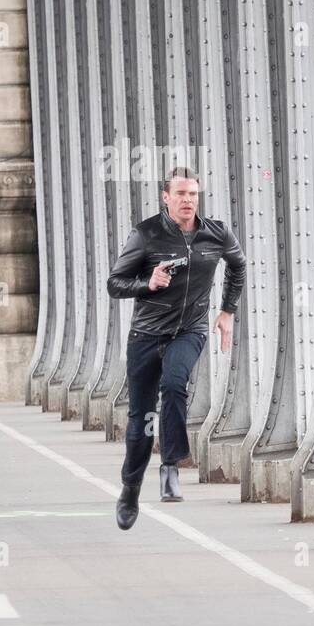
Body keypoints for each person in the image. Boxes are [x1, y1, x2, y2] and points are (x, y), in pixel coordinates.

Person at [106, 167, 246, 528]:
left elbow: (238, 266)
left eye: (193, 195)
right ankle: (130, 489)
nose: (188, 201)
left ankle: (170, 467)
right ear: (165, 197)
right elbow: (115, 284)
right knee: (140, 419)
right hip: (146, 334)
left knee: (174, 385)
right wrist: (147, 283)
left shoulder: (216, 233)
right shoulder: (146, 234)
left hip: (189, 330)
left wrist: (227, 310)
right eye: (181, 194)